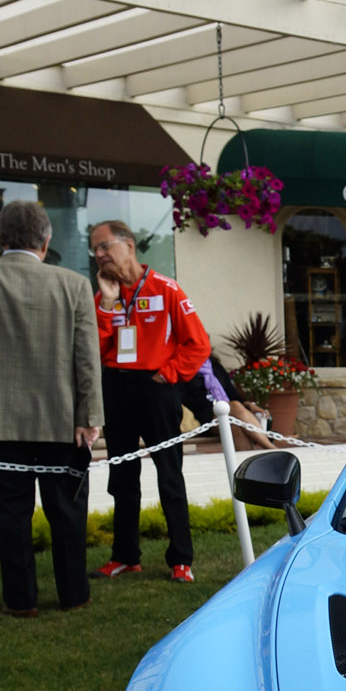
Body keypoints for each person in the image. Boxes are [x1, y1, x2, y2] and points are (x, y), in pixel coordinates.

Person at [0, 199, 102, 614]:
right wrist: (91, 417)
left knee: (10, 517)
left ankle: (21, 601)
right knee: (67, 515)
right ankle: (73, 594)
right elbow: (86, 357)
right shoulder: (73, 284)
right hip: (63, 422)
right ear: (46, 240)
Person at [90, 218, 211, 584]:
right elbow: (94, 349)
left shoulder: (166, 288)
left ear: (128, 245)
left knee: (169, 474)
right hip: (117, 387)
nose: (99, 255)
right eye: (94, 249)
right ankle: (125, 556)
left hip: (157, 388)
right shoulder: (103, 296)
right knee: (122, 475)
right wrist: (108, 305)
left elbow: (198, 344)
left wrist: (169, 373)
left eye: (104, 246)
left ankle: (181, 559)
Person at [179, 353, 271, 451]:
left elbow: (231, 392)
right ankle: (270, 448)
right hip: (205, 416)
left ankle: (246, 463)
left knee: (235, 425)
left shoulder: (214, 365)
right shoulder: (183, 368)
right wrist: (215, 403)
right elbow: (186, 400)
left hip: (229, 413)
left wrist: (248, 404)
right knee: (235, 406)